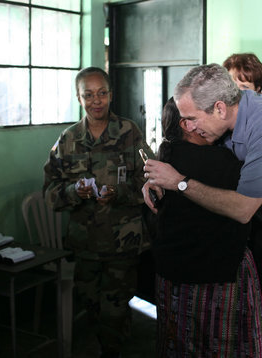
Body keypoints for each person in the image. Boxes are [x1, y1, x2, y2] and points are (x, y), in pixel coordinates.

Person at [143, 63, 262, 358]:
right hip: (258, 229)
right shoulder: (215, 127)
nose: (189, 126)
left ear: (220, 108)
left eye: (192, 118)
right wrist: (154, 182)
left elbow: (244, 208)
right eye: (183, 120)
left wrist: (178, 183)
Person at [43, 67, 153, 358]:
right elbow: (50, 190)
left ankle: (112, 349)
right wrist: (72, 193)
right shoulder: (68, 140)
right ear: (79, 98)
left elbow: (150, 179)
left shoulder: (129, 132)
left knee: (115, 307)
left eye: (102, 93)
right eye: (88, 95)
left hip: (122, 242)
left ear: (110, 95)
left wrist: (121, 193)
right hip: (85, 244)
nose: (96, 101)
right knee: (91, 305)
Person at [150, 97, 262, 356]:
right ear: (187, 124)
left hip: (172, 278)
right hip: (215, 280)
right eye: (207, 112)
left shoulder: (167, 154)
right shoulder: (221, 162)